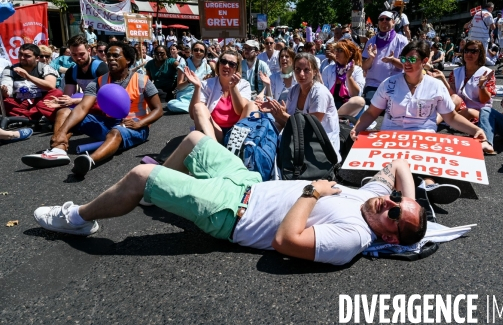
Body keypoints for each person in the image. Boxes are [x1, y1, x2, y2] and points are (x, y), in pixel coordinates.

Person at [33, 131, 428, 266]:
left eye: (395, 217)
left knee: (140, 174)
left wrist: (313, 191)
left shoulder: (354, 238)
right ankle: (155, 195)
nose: (388, 206)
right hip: (246, 182)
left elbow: (285, 242)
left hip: (231, 212)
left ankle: (80, 218)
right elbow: (399, 164)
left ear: (389, 238)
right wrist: (408, 203)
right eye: (395, 203)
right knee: (195, 140)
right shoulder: (374, 199)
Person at [349, 40, 485, 193]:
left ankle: (427, 187)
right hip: (392, 133)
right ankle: (386, 183)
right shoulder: (389, 84)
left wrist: (475, 130)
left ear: (425, 61)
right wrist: (357, 128)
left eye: (412, 59)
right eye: (404, 59)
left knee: (425, 161)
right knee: (394, 162)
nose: (406, 63)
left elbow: (451, 117)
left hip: (423, 134)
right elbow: (372, 112)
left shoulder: (436, 86)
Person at [21, 42, 163, 176]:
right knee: (65, 111)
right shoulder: (99, 81)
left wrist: (140, 123)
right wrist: (61, 132)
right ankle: (58, 150)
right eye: (108, 56)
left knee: (116, 132)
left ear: (128, 61)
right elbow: (83, 107)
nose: (111, 59)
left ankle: (89, 161)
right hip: (107, 123)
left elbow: (158, 110)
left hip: (135, 127)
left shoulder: (142, 80)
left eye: (116, 56)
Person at [257, 53, 341, 160]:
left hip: (320, 146)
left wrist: (283, 115)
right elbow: (287, 123)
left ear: (315, 72)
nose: (301, 74)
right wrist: (275, 112)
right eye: (297, 69)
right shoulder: (294, 90)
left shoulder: (320, 93)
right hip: (299, 139)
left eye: (306, 70)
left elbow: (310, 129)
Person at [188, 50, 256, 143]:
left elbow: (240, 111)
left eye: (232, 64)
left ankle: (237, 145)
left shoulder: (244, 84)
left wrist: (233, 87)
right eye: (223, 62)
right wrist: (197, 87)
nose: (226, 66)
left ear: (236, 69)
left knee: (252, 105)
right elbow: (194, 114)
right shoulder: (207, 84)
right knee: (198, 106)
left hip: (236, 131)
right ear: (218, 64)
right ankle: (213, 147)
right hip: (214, 130)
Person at [431, 39, 496, 122]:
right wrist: (442, 78)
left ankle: (445, 120)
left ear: (480, 54)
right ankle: (432, 124)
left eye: (474, 51)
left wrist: (481, 86)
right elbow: (453, 95)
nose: (469, 54)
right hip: (460, 108)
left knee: (468, 112)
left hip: (478, 111)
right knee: (454, 99)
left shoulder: (487, 73)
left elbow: (484, 100)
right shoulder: (456, 72)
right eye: (466, 51)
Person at [0, 43, 62, 122]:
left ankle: (24, 117)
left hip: (40, 101)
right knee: (4, 101)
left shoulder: (45, 68)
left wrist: (28, 76)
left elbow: (51, 85)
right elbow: (7, 86)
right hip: (20, 103)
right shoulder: (10, 69)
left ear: (37, 58)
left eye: (27, 56)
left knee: (57, 92)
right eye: (20, 54)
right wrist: (5, 91)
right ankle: (34, 115)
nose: (22, 58)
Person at [361, 11, 409, 105]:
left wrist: (393, 60)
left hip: (395, 84)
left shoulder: (402, 40)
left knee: (395, 107)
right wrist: (371, 58)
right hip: (374, 84)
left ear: (393, 22)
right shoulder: (371, 41)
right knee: (372, 105)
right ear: (378, 23)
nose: (384, 21)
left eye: (387, 19)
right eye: (381, 19)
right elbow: (363, 66)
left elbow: (406, 64)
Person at [321, 39, 366, 117]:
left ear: (349, 54)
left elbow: (356, 94)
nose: (336, 53)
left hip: (349, 108)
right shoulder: (328, 69)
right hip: (331, 106)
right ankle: (335, 118)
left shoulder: (357, 70)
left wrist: (349, 76)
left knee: (359, 101)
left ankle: (335, 118)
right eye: (336, 50)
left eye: (340, 50)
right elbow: (324, 94)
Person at [167, 41, 212, 113]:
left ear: (204, 54)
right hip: (185, 98)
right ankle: (195, 108)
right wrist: (188, 81)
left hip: (200, 97)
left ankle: (195, 107)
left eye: (201, 51)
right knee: (171, 104)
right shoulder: (184, 64)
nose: (198, 52)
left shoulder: (207, 67)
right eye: (196, 50)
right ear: (192, 51)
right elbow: (179, 86)